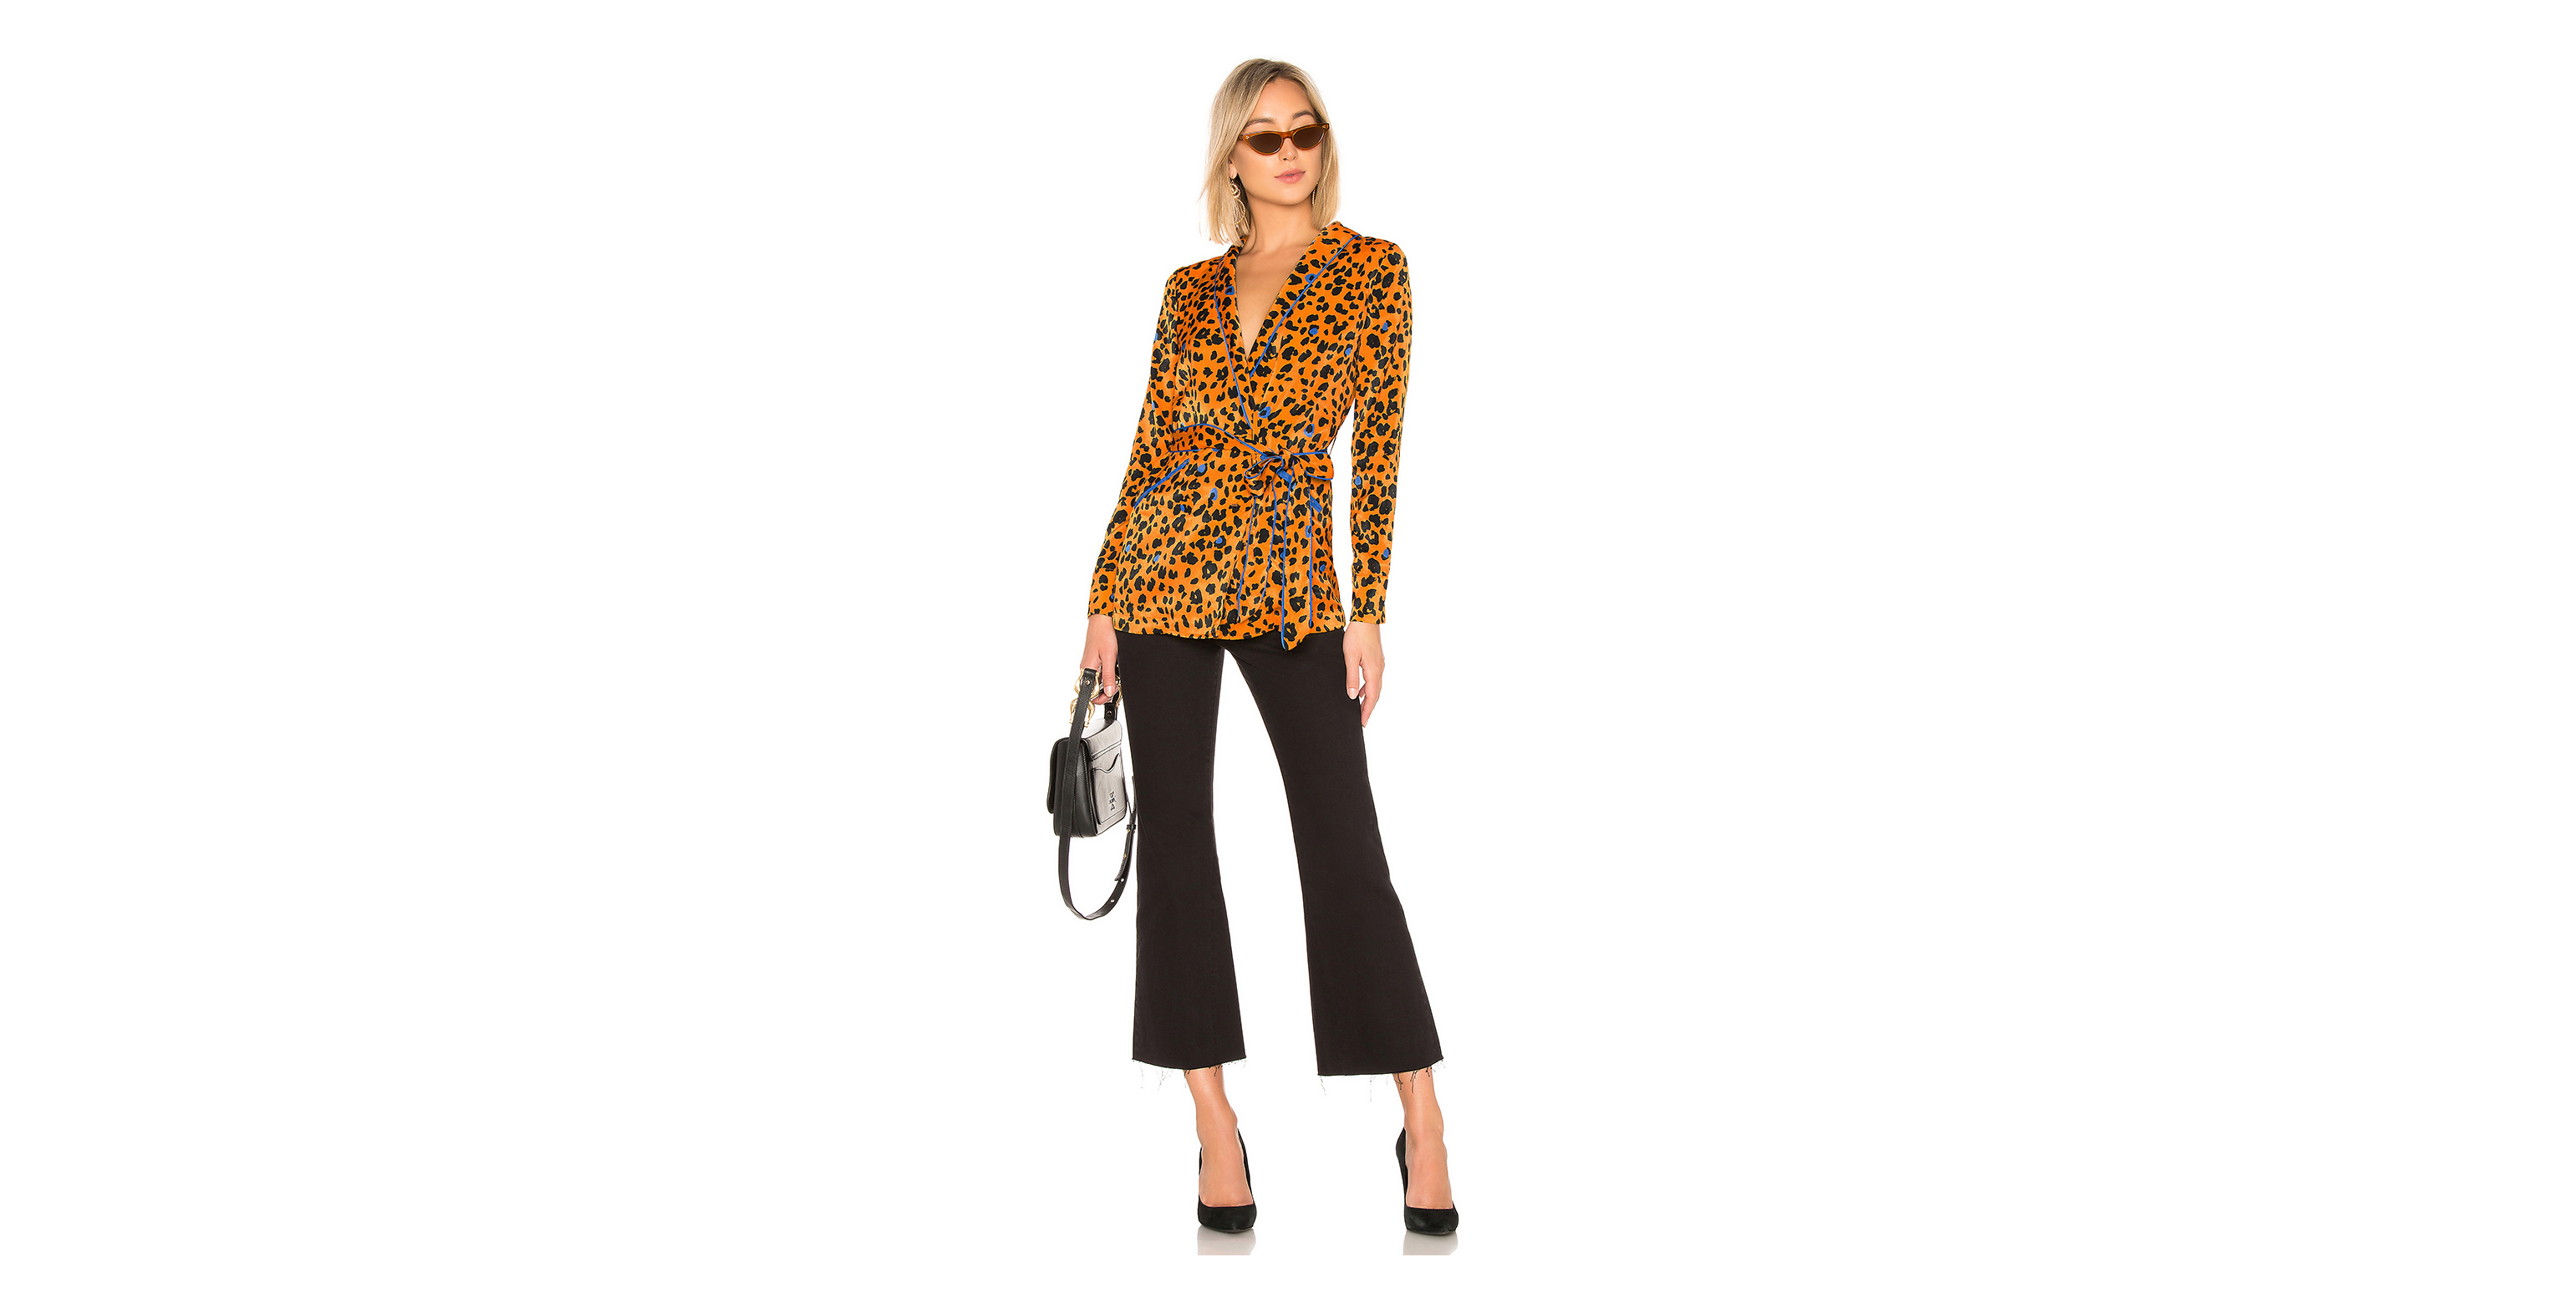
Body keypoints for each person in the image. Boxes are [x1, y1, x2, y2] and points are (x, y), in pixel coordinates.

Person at [1077, 58, 1456, 1239]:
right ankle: (1213, 1124)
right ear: (1231, 158)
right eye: (1264, 137)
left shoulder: (1371, 270)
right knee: (1179, 852)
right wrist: (1101, 601)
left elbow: (1378, 450)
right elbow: (1151, 448)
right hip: (1163, 579)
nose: (1290, 152)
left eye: (1306, 131)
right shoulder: (1188, 290)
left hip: (1293, 584)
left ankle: (1423, 1115)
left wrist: (1367, 609)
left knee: (1344, 847)